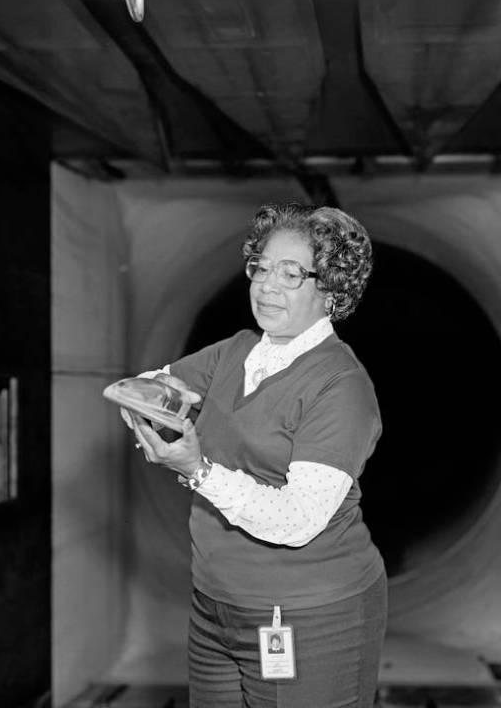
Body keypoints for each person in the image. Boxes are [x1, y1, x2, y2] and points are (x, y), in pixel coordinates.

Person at [124, 202, 386, 708]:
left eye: (291, 274)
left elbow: (297, 519)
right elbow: (161, 383)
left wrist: (195, 470)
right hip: (215, 608)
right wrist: (145, 398)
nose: (267, 286)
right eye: (261, 267)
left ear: (330, 288)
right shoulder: (236, 350)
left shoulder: (341, 386)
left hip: (312, 615)